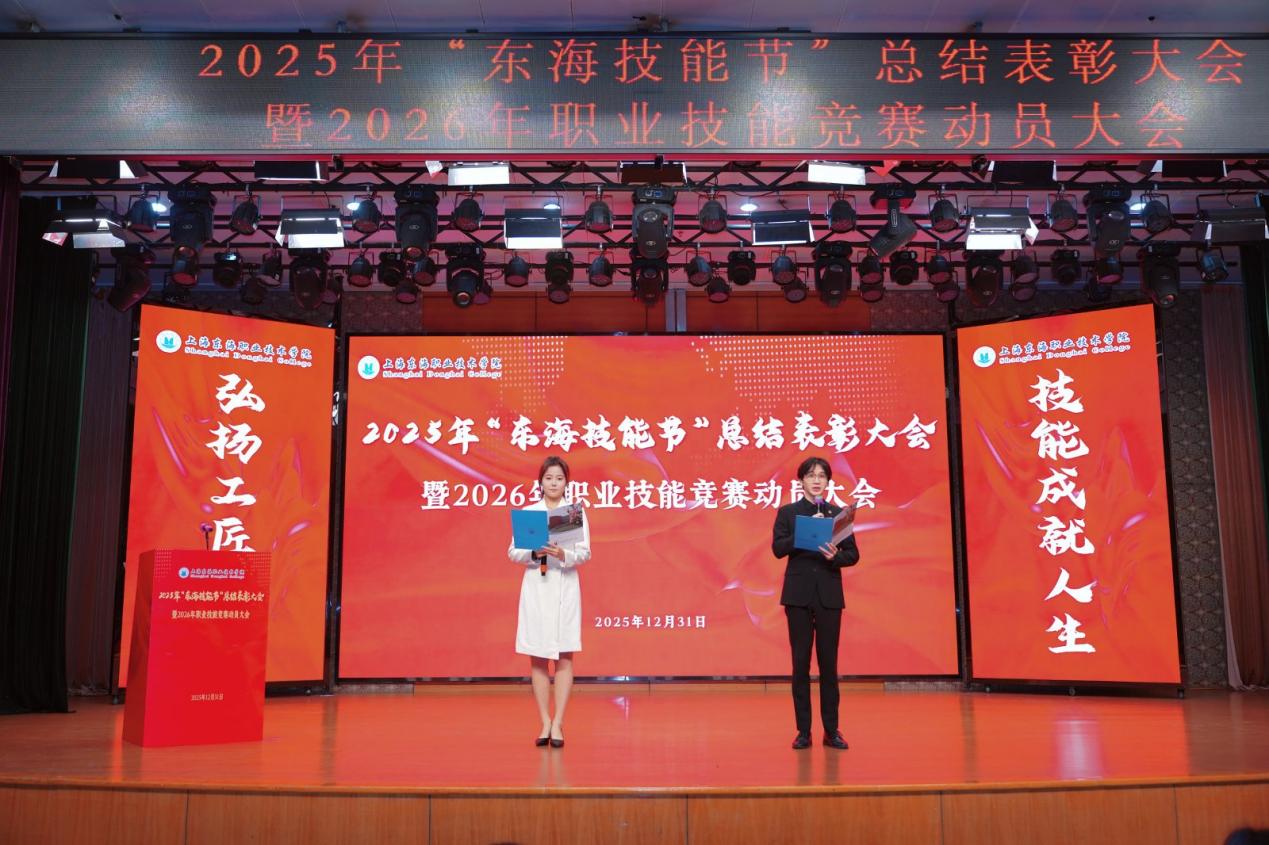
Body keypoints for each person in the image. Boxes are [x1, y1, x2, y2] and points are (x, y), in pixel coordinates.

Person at [771, 456, 860, 750]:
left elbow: (853, 555)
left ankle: (831, 731)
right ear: (801, 481)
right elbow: (778, 549)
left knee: (828, 665)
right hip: (798, 596)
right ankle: (803, 731)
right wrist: (803, 533)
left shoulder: (838, 515)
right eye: (811, 475)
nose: (817, 480)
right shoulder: (788, 513)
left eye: (822, 476)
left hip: (829, 596)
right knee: (800, 664)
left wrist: (836, 556)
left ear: (828, 481)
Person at [508, 456, 590, 748]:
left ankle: (559, 723)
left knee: (565, 655)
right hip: (537, 587)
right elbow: (513, 552)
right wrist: (535, 552)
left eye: (559, 478)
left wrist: (563, 554)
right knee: (538, 656)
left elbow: (585, 553)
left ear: (566, 482)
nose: (554, 483)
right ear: (540, 482)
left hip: (565, 587)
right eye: (549, 478)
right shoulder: (530, 513)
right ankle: (544, 720)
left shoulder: (573, 513)